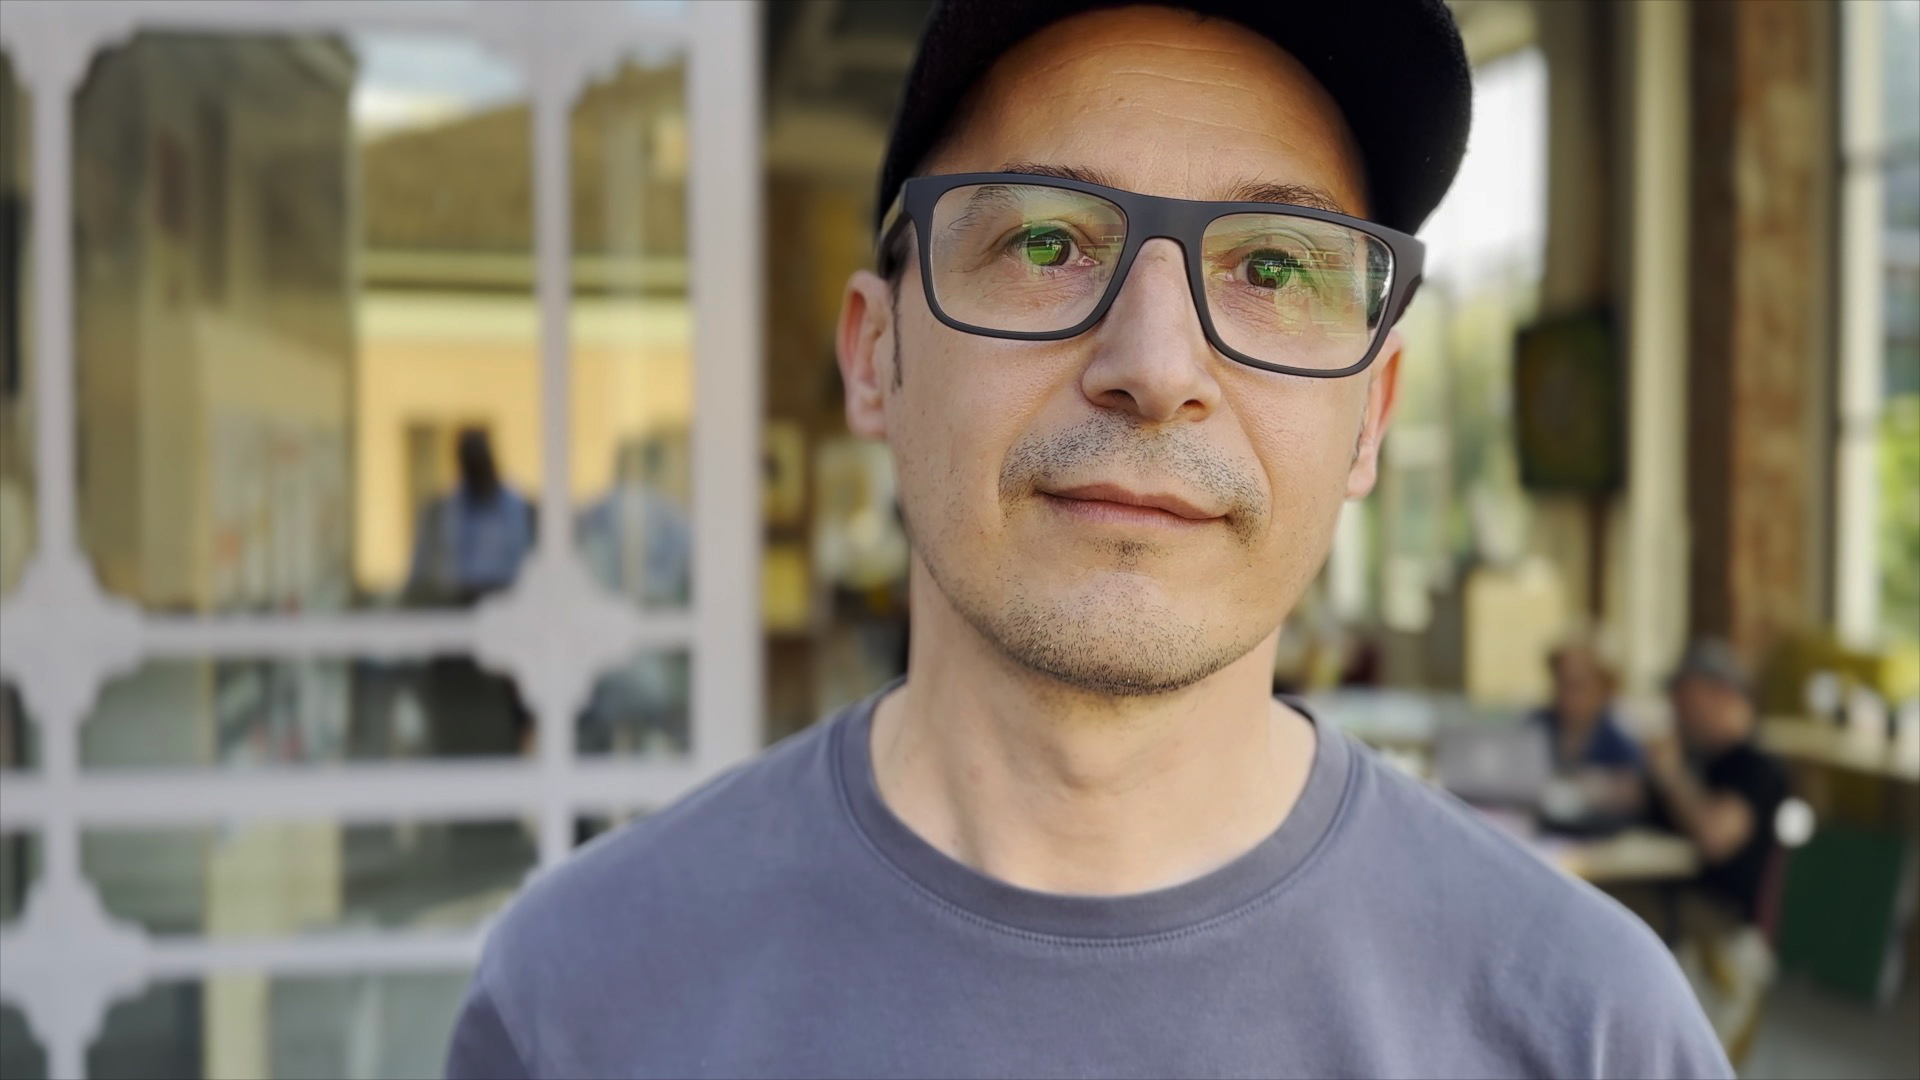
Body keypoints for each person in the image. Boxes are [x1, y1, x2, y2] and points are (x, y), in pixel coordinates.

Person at [447, 3, 1728, 1077]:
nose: (1156, 367)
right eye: (1047, 241)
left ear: (1372, 418)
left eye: (1274, 269)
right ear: (877, 356)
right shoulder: (581, 1004)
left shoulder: (1589, 1034)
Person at [1644, 640, 1791, 1054]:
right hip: (1672, 902)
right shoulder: (1701, 759)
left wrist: (1672, 776)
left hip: (1716, 922)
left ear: (1723, 693)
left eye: (1687, 700)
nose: (1678, 712)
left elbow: (1715, 836)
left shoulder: (1756, 766)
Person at [404, 428, 534, 607]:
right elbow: (421, 574)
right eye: (470, 459)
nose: (476, 466)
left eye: (479, 458)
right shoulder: (442, 511)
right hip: (458, 607)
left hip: (509, 603)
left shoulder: (519, 509)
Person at [1531, 634, 1645, 821]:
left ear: (1604, 689)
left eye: (1578, 686)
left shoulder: (1619, 740)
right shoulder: (1537, 726)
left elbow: (1633, 793)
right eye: (1561, 684)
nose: (1567, 697)